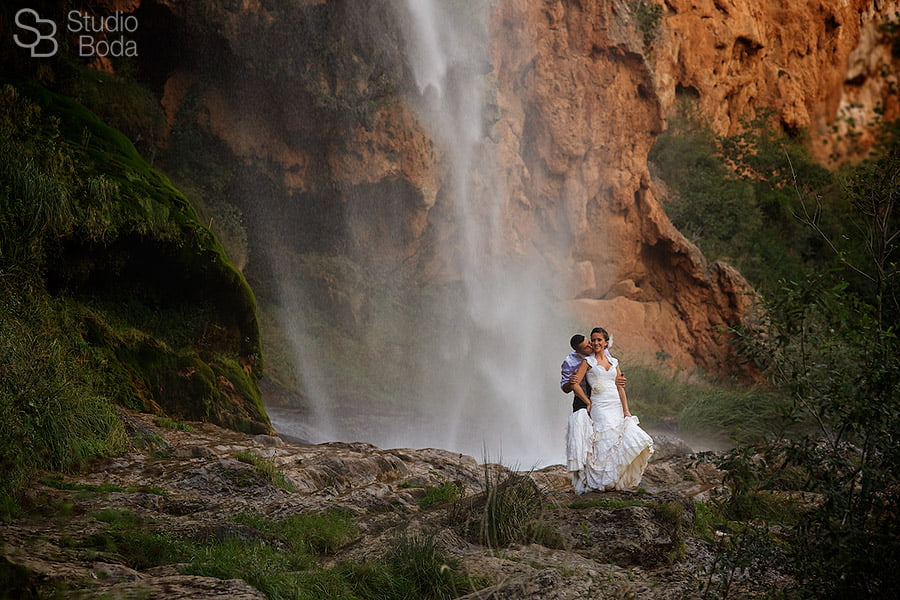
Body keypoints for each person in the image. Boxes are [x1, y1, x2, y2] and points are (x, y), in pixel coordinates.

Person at [567, 327, 654, 493]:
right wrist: (587, 402)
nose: (595, 343)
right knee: (603, 438)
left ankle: (614, 480)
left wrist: (626, 410)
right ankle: (602, 480)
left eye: (599, 340)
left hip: (615, 404)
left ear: (606, 342)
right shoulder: (588, 362)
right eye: (593, 340)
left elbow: (620, 387)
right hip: (599, 404)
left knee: (616, 438)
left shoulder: (614, 362)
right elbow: (574, 384)